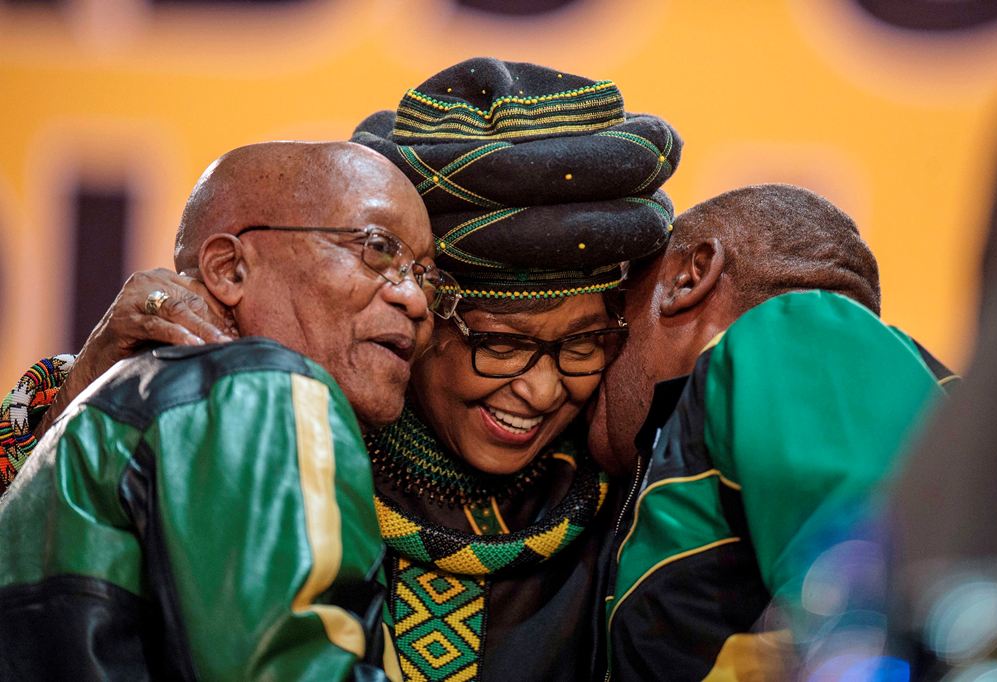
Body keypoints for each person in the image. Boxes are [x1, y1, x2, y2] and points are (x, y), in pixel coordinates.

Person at [1, 59, 682, 681]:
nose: (539, 389)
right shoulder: (235, 414)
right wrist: (88, 398)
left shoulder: (633, 500)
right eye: (499, 343)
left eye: (584, 345)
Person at [0, 140, 459, 680]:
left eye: (427, 277)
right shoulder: (259, 388)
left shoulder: (108, 415)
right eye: (379, 248)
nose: (417, 301)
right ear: (230, 269)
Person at [587, 183, 956, 680]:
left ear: (687, 279)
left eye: (614, 308)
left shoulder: (804, 334)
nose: (593, 347)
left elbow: (879, 611)